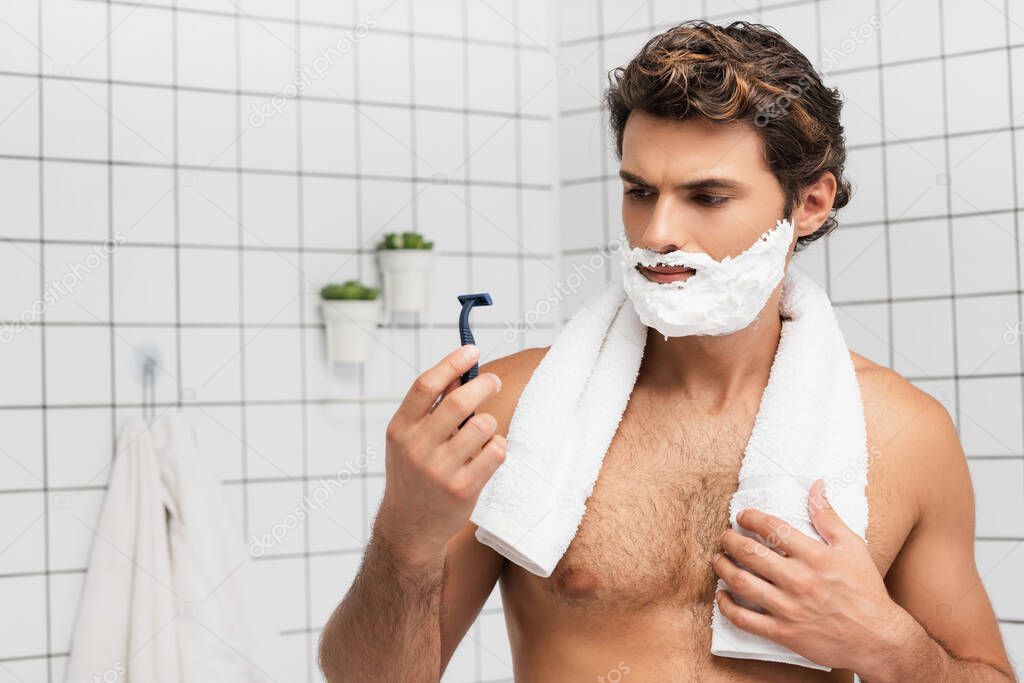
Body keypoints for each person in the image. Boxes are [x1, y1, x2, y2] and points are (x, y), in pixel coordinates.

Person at [318, 20, 1014, 681]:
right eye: (639, 192)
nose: (656, 232)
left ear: (809, 204)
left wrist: (884, 642)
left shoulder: (904, 434)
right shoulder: (513, 410)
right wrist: (404, 533)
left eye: (707, 196)